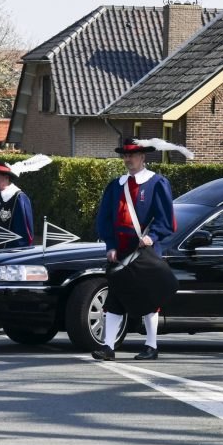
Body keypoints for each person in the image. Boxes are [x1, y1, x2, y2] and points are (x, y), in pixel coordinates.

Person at [90, 138, 178, 362]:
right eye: (125, 155)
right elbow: (104, 219)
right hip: (120, 251)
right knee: (115, 299)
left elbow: (166, 219)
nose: (128, 159)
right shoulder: (115, 185)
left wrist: (152, 236)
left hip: (144, 250)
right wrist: (110, 245)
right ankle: (108, 347)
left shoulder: (157, 183)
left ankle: (151, 345)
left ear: (142, 157)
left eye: (132, 155)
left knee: (148, 299)